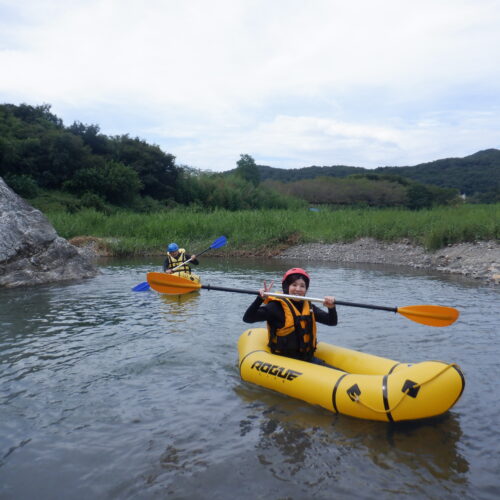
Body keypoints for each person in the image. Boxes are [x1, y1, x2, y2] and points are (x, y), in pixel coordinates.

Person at [243, 268, 337, 362]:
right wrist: (260, 299)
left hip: (306, 358)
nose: (298, 289)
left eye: (302, 286)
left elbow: (332, 322)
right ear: (287, 286)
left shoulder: (309, 307)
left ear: (306, 289)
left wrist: (331, 308)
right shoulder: (275, 307)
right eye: (294, 285)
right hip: (284, 361)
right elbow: (248, 318)